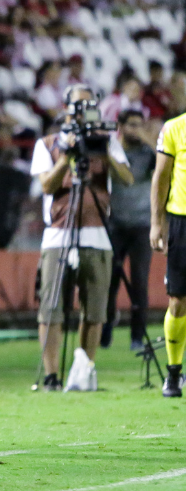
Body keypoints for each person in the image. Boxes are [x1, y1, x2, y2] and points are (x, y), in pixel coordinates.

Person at [31, 84, 133, 392]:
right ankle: (51, 376)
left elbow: (127, 179)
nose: (83, 111)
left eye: (89, 105)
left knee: (95, 309)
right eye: (78, 106)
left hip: (97, 234)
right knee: (51, 309)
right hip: (58, 235)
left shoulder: (107, 140)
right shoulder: (48, 143)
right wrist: (67, 155)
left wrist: (104, 152)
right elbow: (47, 186)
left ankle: (83, 371)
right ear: (65, 108)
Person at [103, 110, 156, 351]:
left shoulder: (148, 153)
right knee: (109, 280)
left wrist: (149, 139)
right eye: (132, 125)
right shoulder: (113, 151)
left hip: (142, 224)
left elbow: (171, 160)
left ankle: (137, 336)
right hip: (115, 222)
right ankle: (104, 331)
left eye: (140, 125)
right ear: (120, 126)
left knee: (139, 282)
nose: (136, 130)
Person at [151, 110, 186, 398]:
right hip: (181, 222)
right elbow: (161, 176)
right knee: (177, 302)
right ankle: (174, 372)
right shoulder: (175, 128)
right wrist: (156, 223)